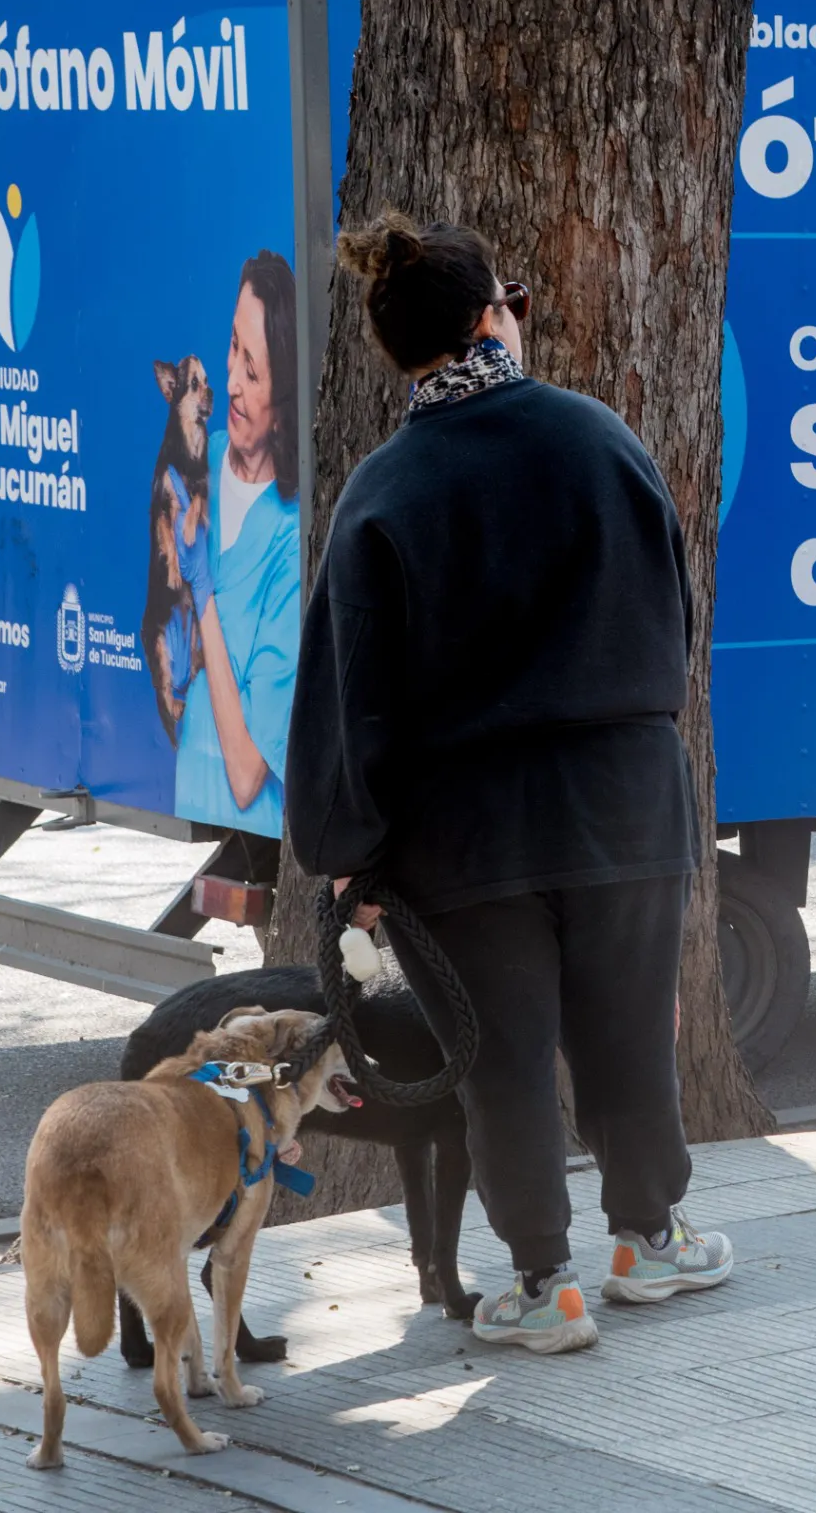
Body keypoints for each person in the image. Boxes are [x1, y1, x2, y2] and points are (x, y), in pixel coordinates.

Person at [286, 211, 730, 1357]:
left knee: (503, 1056)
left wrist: (356, 851)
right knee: (630, 1031)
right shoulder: (599, 438)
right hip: (623, 795)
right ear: (494, 316)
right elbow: (671, 617)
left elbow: (351, 695)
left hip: (463, 831)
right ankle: (653, 1235)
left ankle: (544, 1281)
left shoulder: (384, 489)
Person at [174, 252, 302, 830]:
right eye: (232, 347)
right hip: (187, 812)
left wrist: (203, 596)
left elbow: (250, 772)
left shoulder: (291, 532)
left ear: (283, 411)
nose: (228, 382)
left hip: (253, 838)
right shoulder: (192, 466)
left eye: (253, 372)